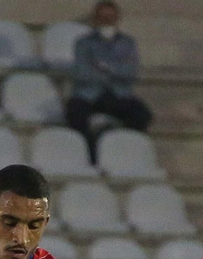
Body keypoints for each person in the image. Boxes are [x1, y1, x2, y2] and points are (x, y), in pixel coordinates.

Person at [64, 0, 152, 162]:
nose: (106, 21)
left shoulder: (127, 43)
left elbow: (130, 72)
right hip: (89, 94)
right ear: (95, 19)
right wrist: (114, 70)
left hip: (118, 94)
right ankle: (91, 157)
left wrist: (102, 67)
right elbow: (82, 73)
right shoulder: (83, 43)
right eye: (102, 17)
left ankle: (119, 145)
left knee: (142, 115)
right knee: (74, 114)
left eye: (110, 17)